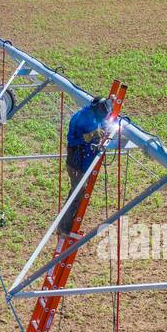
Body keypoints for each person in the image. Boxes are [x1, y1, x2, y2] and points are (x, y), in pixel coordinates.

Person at [57, 95, 112, 250]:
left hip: (82, 163)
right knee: (77, 195)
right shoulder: (82, 119)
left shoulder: (94, 115)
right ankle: (65, 227)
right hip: (77, 165)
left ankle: (67, 223)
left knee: (77, 193)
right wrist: (96, 134)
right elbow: (80, 139)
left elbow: (103, 124)